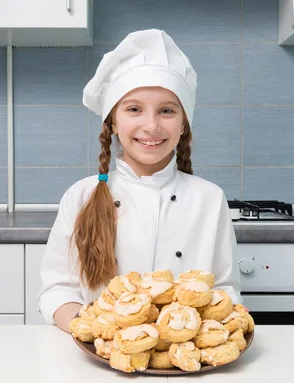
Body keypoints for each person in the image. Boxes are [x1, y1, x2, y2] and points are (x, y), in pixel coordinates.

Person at [37, 28, 242, 332]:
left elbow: (224, 288)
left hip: (186, 362)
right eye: (134, 109)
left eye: (166, 111)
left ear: (183, 125)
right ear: (114, 123)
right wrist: (94, 332)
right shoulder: (81, 196)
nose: (151, 125)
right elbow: (57, 290)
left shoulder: (209, 199)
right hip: (98, 361)